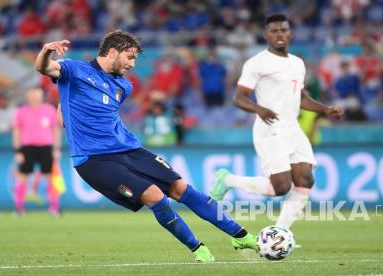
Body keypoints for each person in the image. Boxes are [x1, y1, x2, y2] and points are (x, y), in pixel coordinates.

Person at [34, 30, 256, 263]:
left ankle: (239, 234)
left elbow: (89, 111)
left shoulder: (123, 86)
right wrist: (46, 51)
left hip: (129, 150)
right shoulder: (74, 69)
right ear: (112, 52)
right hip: (94, 160)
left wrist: (67, 112)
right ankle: (198, 249)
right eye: (129, 57)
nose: (133, 64)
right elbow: (44, 68)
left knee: (181, 188)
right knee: (155, 197)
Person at [211, 14, 343, 236]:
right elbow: (239, 98)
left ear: (290, 33)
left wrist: (325, 109)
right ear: (266, 35)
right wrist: (259, 109)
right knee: (280, 187)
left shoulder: (297, 63)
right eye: (274, 31)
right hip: (270, 129)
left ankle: (279, 234)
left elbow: (301, 97)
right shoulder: (257, 63)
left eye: (283, 30)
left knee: (305, 179)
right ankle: (228, 180)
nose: (279, 34)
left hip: (292, 128)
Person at [12, 88, 62, 215]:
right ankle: (19, 208)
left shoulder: (49, 110)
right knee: (22, 176)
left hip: (46, 147)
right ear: (27, 96)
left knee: (50, 177)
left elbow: (55, 131)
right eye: (32, 94)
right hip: (27, 148)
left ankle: (54, 208)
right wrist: (18, 151)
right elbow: (17, 132)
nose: (35, 97)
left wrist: (56, 149)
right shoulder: (21, 111)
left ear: (42, 96)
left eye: (37, 94)